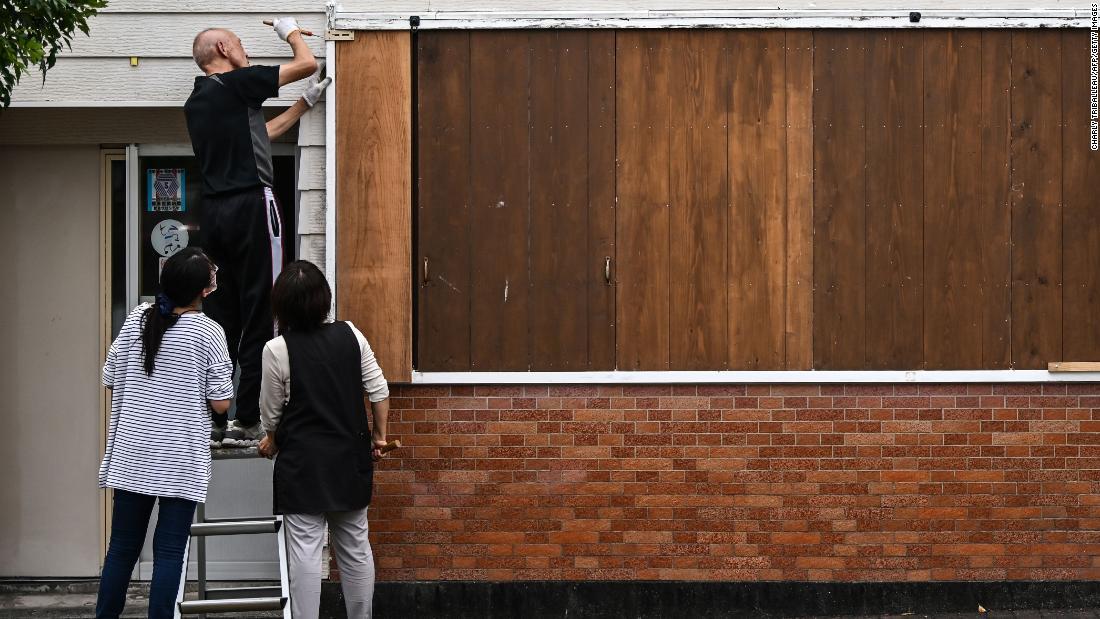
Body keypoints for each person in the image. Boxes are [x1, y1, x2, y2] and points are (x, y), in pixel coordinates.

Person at [184, 18, 332, 447]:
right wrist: (289, 31)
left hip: (214, 215)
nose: (245, 50)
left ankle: (216, 417)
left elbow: (261, 135)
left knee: (222, 315)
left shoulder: (199, 102)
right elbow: (306, 62)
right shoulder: (237, 84)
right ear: (224, 50)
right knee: (263, 311)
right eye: (240, 45)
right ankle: (248, 418)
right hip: (251, 206)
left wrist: (303, 106)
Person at [96, 248, 233, 619]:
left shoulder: (138, 317)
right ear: (204, 290)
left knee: (121, 549)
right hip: (179, 458)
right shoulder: (208, 331)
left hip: (131, 453)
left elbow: (109, 377)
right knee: (170, 553)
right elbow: (221, 403)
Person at [257, 261, 390, 619]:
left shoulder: (277, 349)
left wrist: (271, 439)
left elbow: (270, 413)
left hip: (302, 466)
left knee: (305, 553)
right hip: (349, 460)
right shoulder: (351, 335)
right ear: (324, 299)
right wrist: (379, 438)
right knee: (356, 548)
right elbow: (378, 390)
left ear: (281, 306)